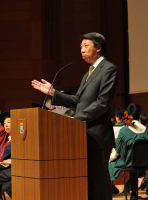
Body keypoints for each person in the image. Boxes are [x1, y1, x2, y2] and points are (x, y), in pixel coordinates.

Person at [32, 32, 118, 200]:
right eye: (81, 47)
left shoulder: (109, 69)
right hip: (81, 135)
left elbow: (102, 103)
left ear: (98, 47)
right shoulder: (88, 74)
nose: (82, 51)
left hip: (98, 136)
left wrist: (76, 119)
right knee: (86, 182)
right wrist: (53, 92)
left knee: (99, 183)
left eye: (86, 46)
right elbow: (77, 100)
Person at [109, 104, 148, 198]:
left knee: (110, 164)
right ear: (140, 115)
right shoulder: (147, 130)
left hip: (129, 163)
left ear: (127, 114)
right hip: (146, 163)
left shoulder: (124, 130)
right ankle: (133, 193)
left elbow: (117, 150)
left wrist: (109, 159)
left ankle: (110, 190)